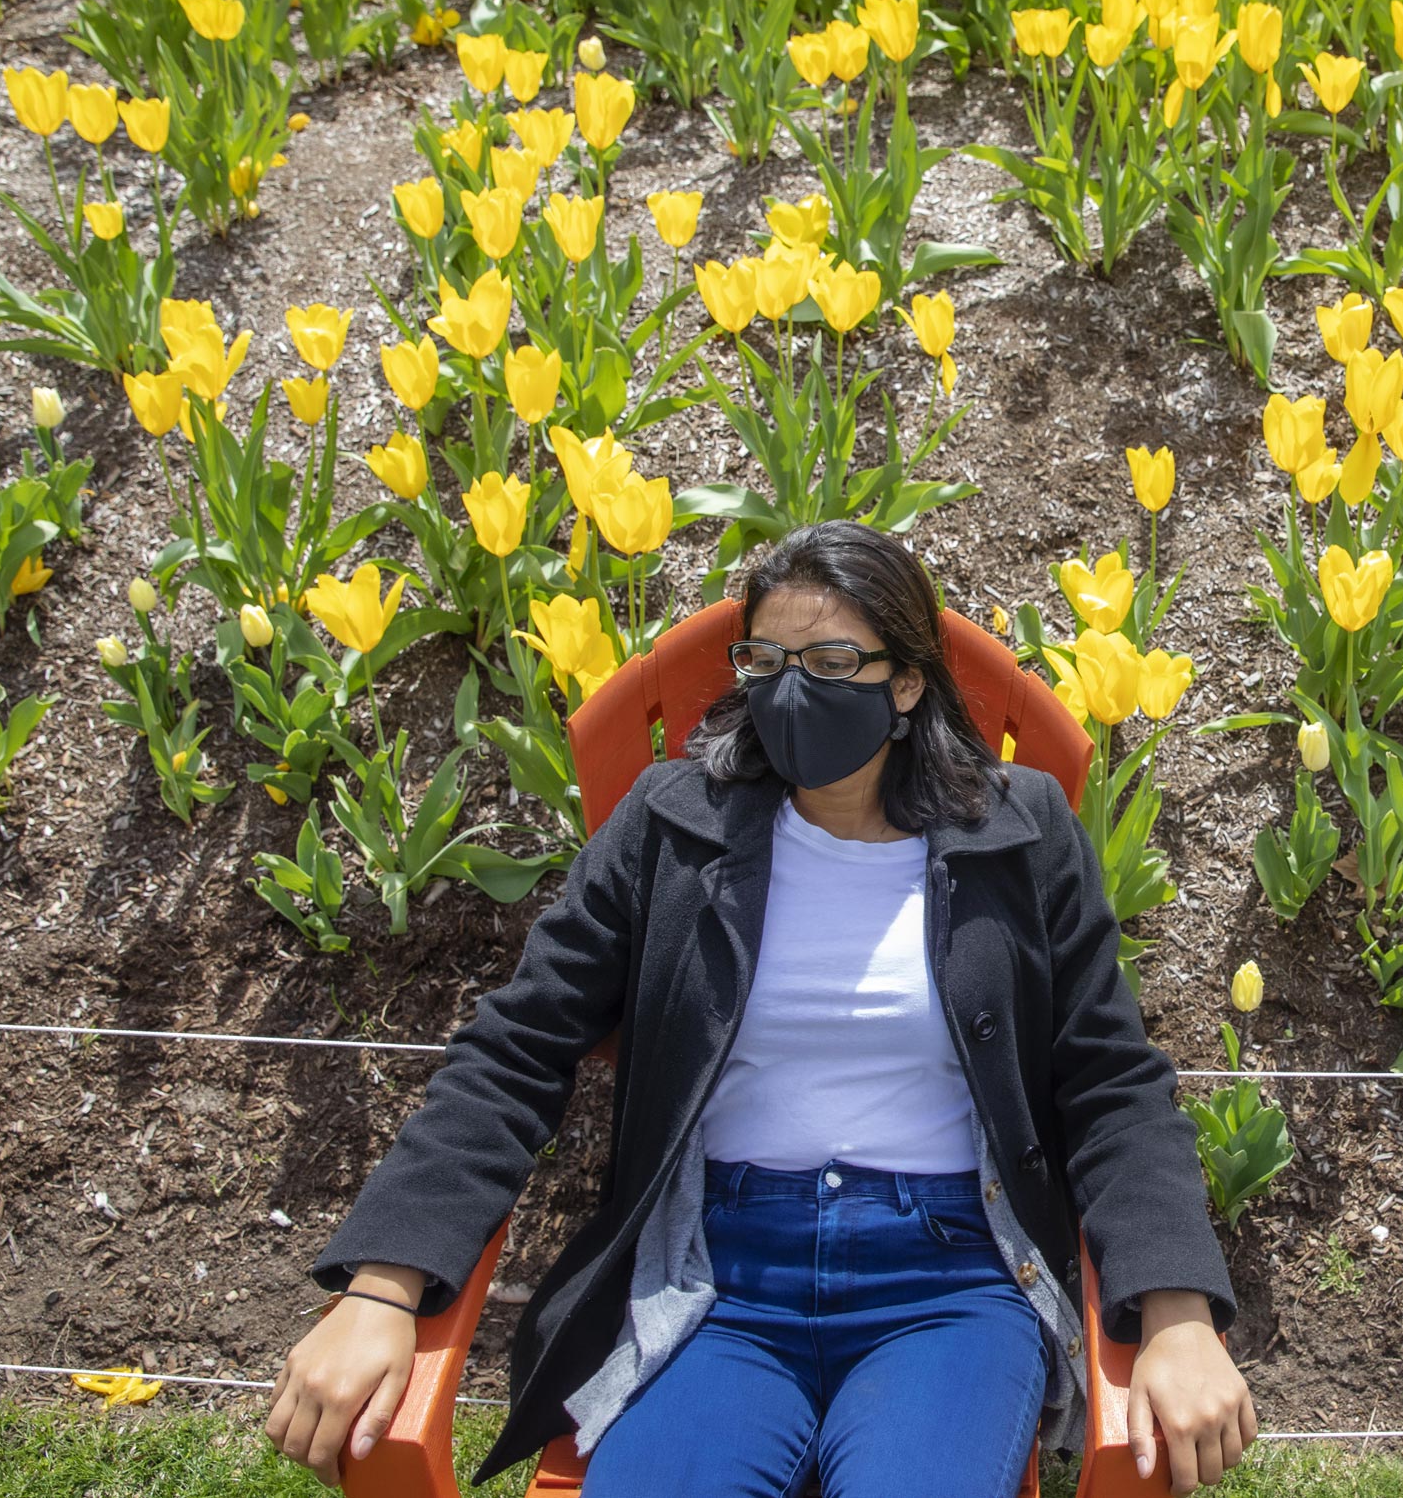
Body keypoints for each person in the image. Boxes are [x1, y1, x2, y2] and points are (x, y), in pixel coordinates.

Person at [266, 519, 1252, 1497]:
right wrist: (381, 1285)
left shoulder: (1019, 827)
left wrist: (1176, 1312)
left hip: (947, 1285)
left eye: (831, 659)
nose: (791, 687)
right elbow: (516, 1047)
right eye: (766, 658)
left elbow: (1111, 1081)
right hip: (716, 1282)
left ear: (905, 683)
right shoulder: (671, 822)